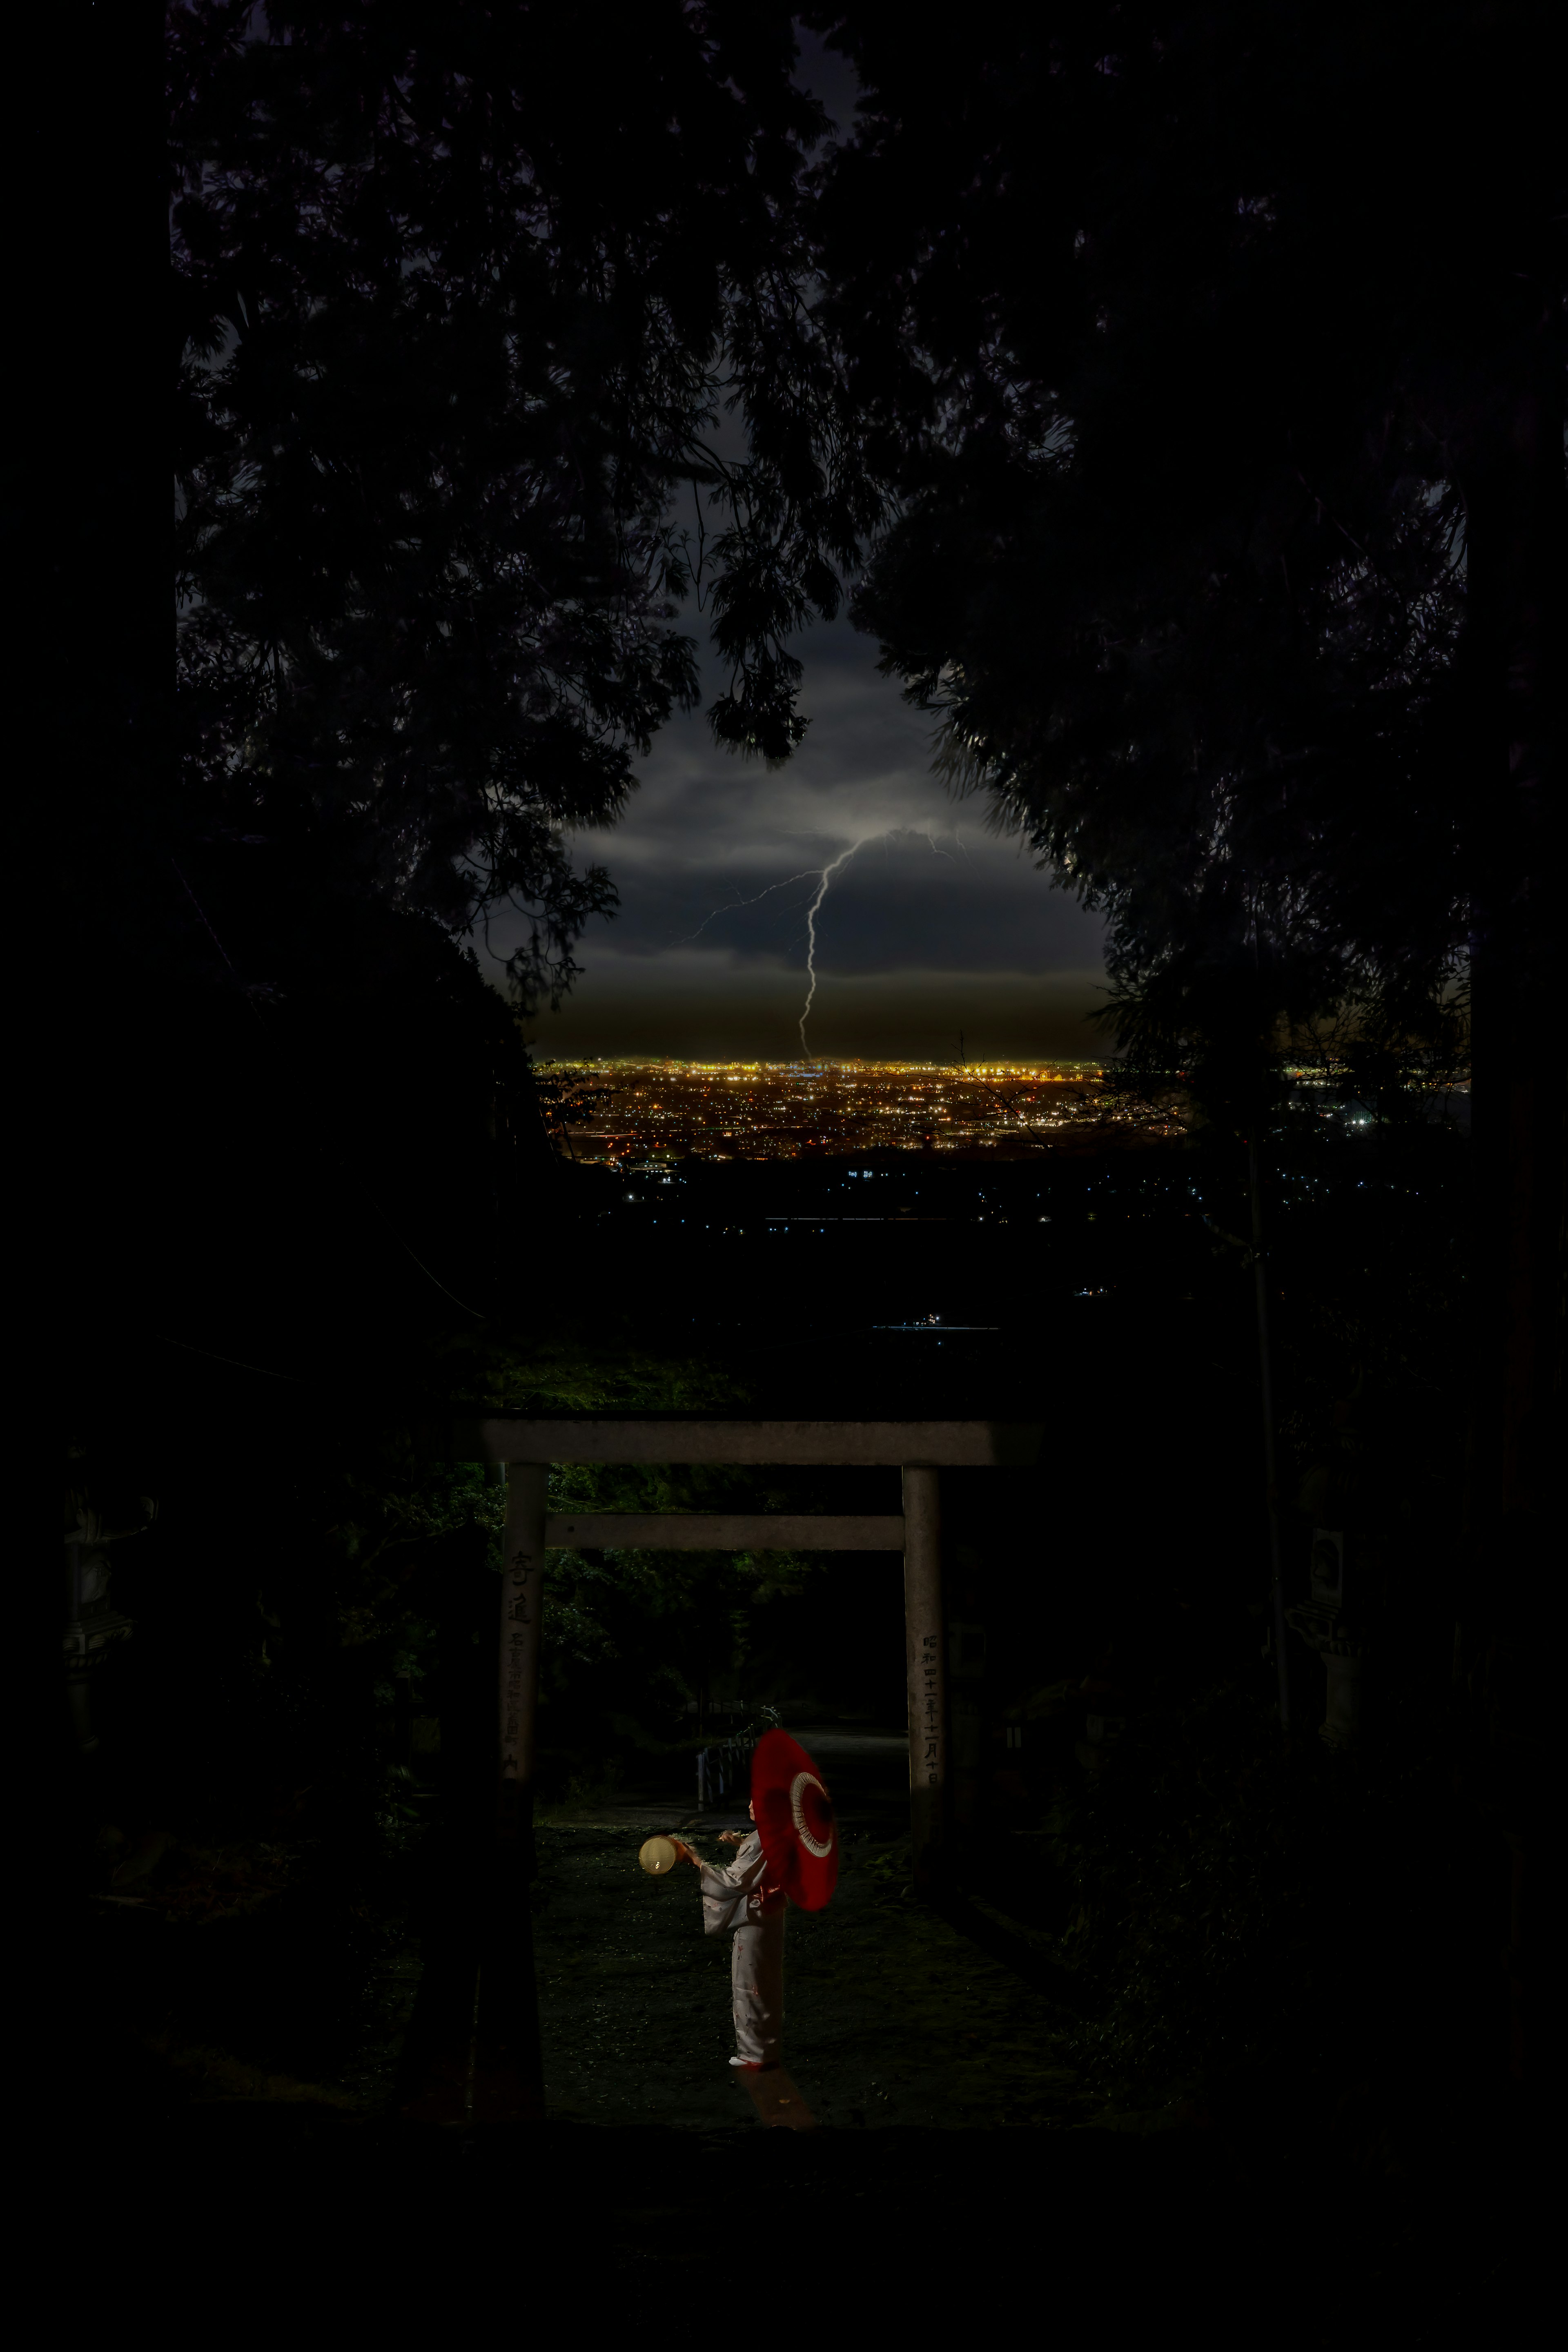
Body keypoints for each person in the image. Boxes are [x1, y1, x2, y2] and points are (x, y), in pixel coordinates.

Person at [668, 1801, 785, 2072]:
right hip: (770, 1912)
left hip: (756, 1915)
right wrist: (742, 1843)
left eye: (757, 1802)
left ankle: (756, 2055)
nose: (751, 1806)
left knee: (750, 1981)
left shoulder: (763, 1839)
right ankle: (765, 2049)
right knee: (766, 1979)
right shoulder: (774, 1833)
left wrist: (695, 1862)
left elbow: (734, 1883)